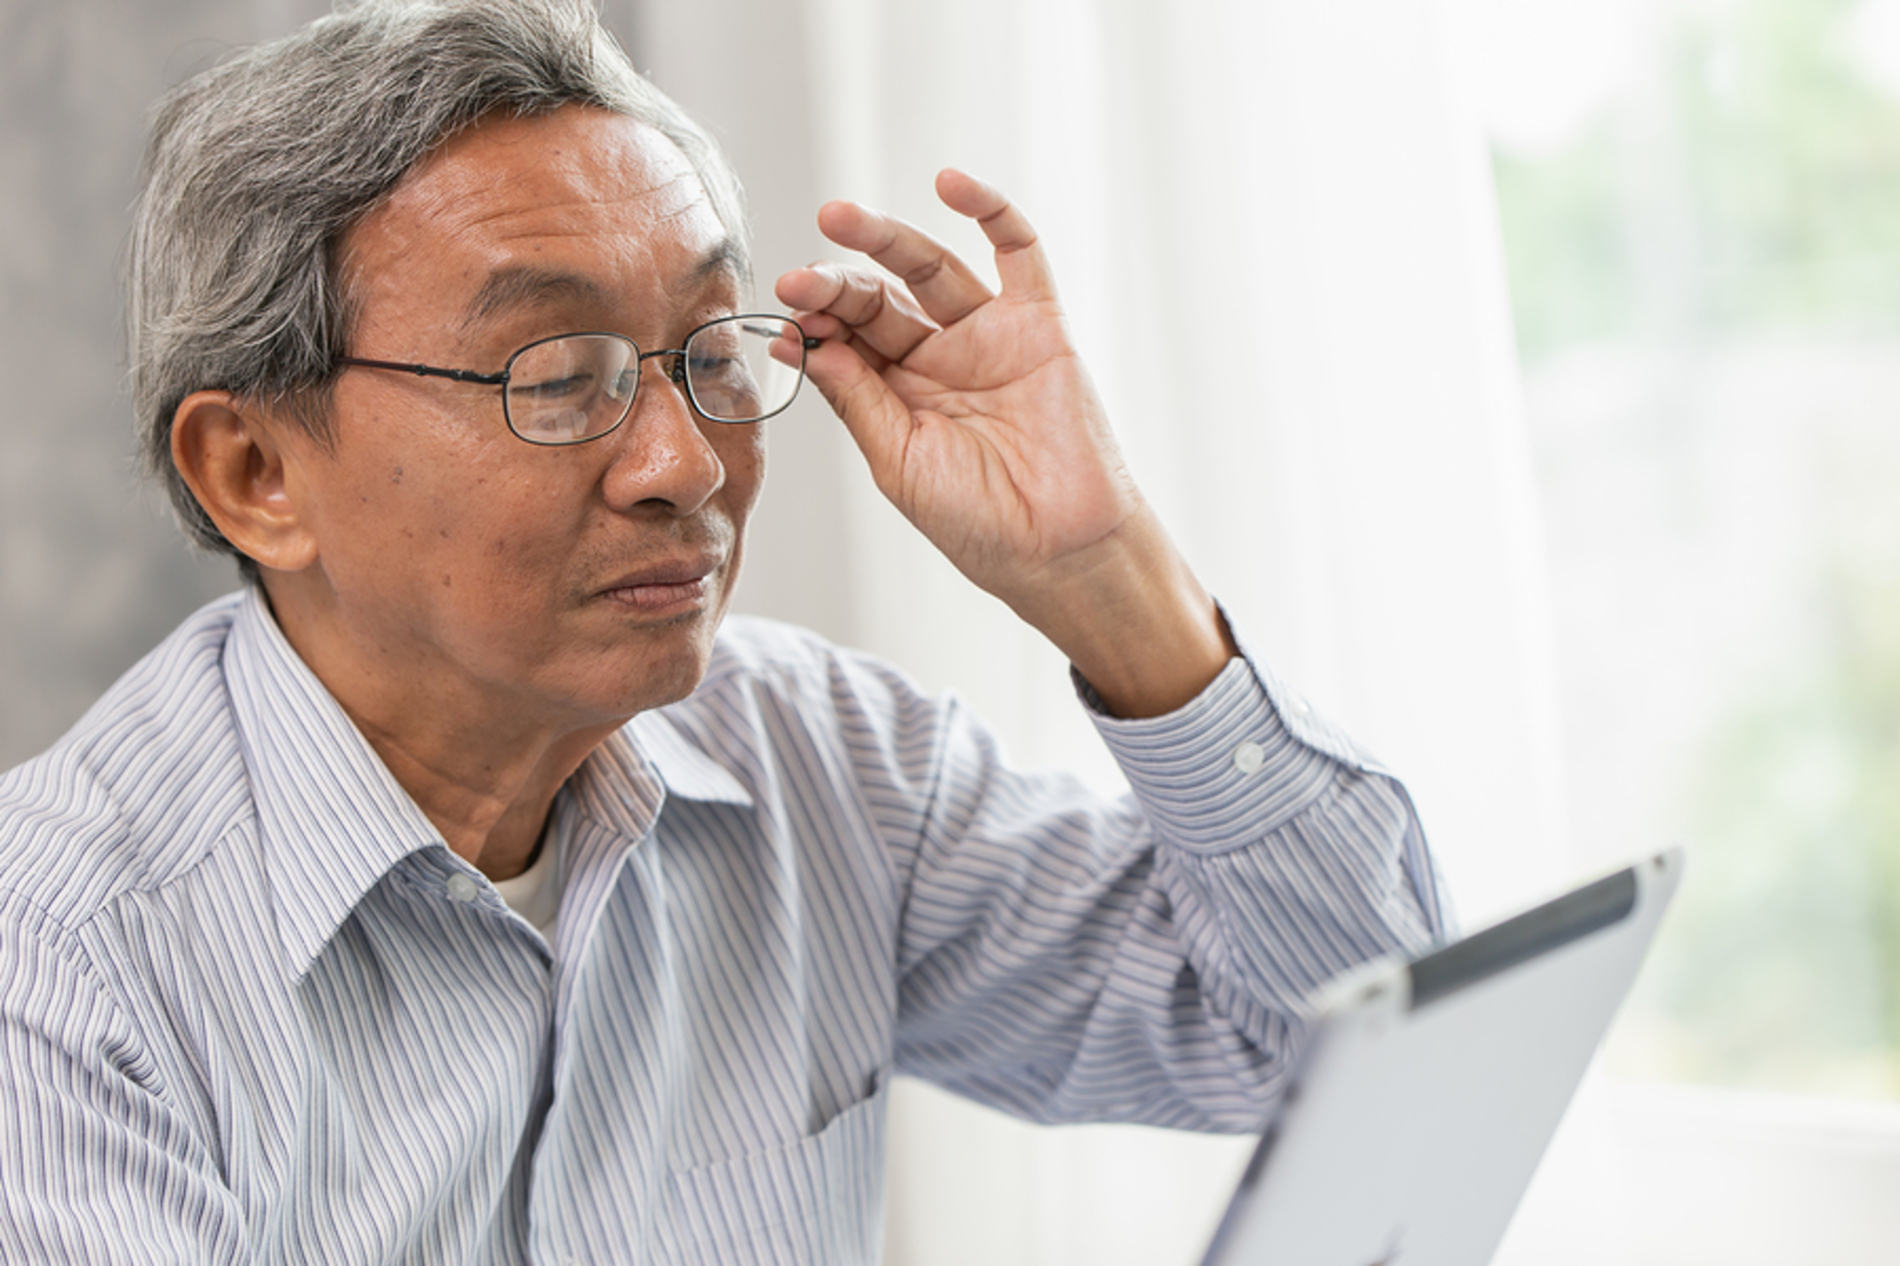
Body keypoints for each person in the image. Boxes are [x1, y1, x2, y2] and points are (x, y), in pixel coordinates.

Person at [0, 1, 1449, 1261]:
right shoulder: (59, 959)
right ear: (255, 471)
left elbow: (1347, 1042)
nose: (685, 464)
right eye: (558, 375)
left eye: (708, 351)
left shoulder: (811, 756)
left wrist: (1102, 569)